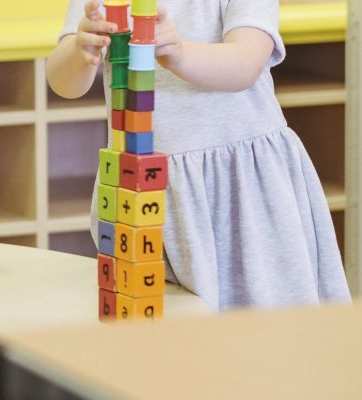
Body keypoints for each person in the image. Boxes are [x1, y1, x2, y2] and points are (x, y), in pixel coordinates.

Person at [48, 0, 350, 310]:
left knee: (265, 314)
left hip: (241, 188)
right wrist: (80, 53)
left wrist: (179, 53)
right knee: (161, 319)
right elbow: (63, 82)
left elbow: (245, 64)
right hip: (144, 187)